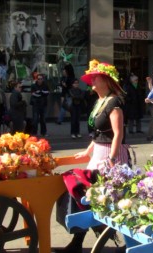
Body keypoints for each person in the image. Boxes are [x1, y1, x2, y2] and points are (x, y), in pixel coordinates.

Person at [55, 60, 129, 253]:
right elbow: (98, 133)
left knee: (113, 198)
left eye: (95, 78)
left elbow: (117, 134)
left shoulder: (114, 103)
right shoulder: (99, 101)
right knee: (89, 197)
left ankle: (126, 241)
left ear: (106, 80)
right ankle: (77, 243)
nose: (92, 82)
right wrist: (89, 151)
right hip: (99, 151)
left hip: (111, 154)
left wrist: (112, 159)